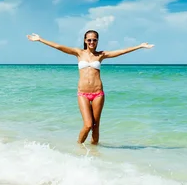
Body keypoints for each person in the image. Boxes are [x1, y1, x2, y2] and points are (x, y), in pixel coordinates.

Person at [26, 30, 154, 145]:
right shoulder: (78, 53)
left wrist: (140, 46)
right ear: (85, 40)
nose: (92, 42)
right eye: (89, 39)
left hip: (98, 93)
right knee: (88, 125)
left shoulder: (101, 55)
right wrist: (40, 39)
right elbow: (59, 47)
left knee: (96, 126)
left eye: (94, 39)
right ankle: (79, 147)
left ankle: (94, 152)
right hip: (83, 93)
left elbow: (120, 52)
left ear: (97, 41)